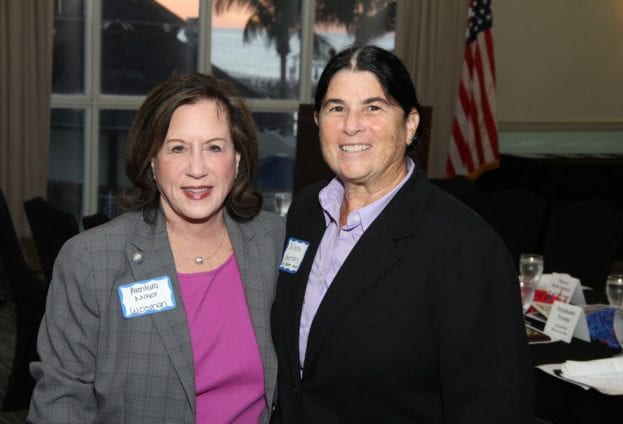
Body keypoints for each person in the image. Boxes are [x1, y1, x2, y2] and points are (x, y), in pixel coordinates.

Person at [271, 45, 533, 423]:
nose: (351, 125)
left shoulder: (465, 248)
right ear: (318, 121)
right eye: (336, 107)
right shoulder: (306, 212)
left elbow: (494, 407)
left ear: (410, 124)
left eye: (373, 107)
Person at [28, 73, 285, 423]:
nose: (197, 169)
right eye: (177, 148)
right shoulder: (92, 260)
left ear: (237, 159)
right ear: (151, 161)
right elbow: (62, 398)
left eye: (214, 147)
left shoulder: (274, 243)